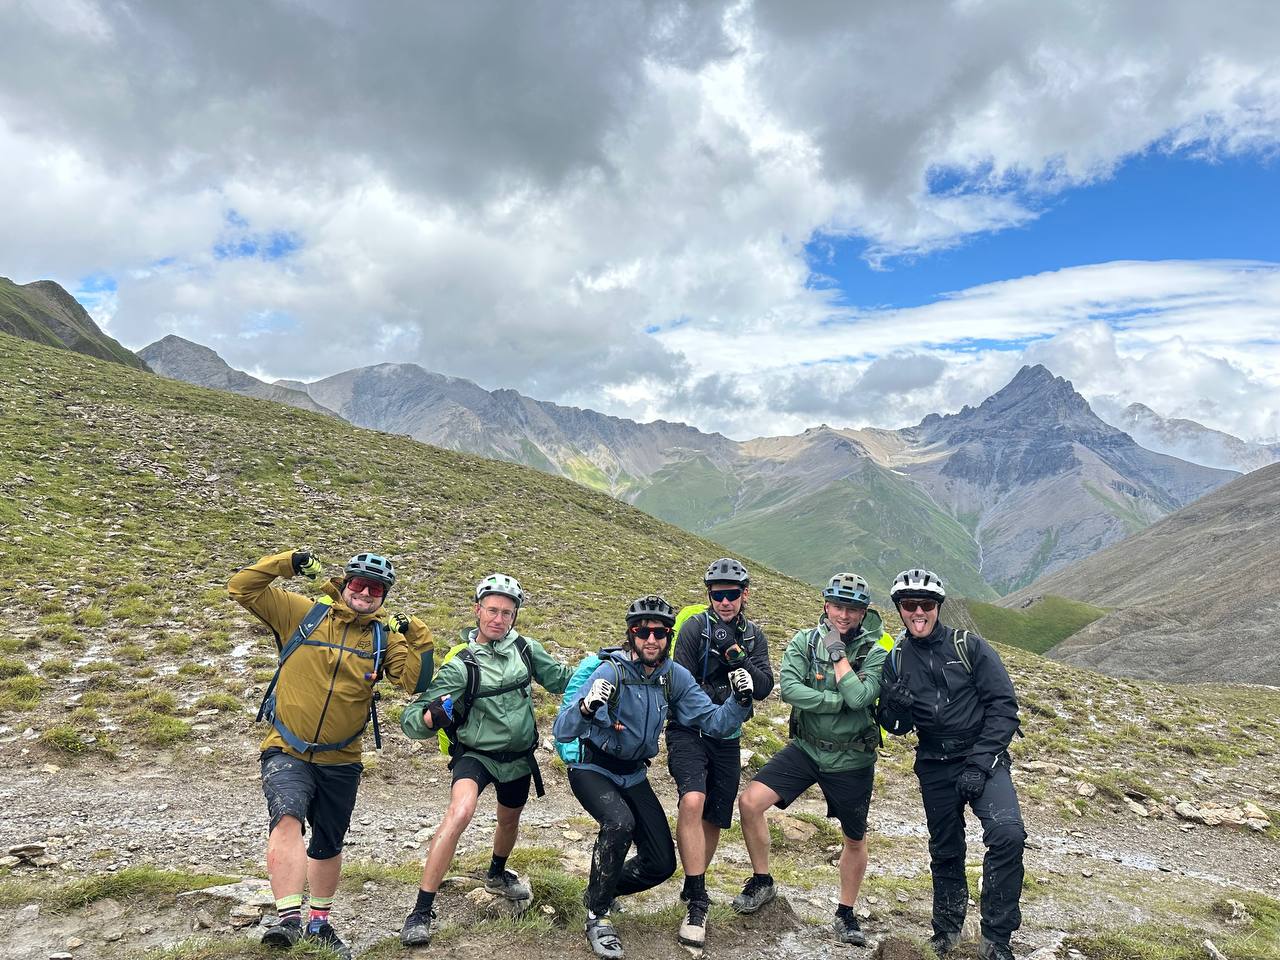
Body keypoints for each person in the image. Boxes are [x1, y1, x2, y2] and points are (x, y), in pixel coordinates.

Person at [229, 549, 434, 958]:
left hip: (342, 758)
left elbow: (414, 682)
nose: (365, 593)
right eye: (358, 583)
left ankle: (320, 923)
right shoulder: (301, 613)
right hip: (287, 746)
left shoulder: (383, 638)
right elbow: (240, 587)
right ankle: (288, 920)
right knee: (286, 816)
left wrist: (417, 634)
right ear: (344, 583)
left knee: (328, 840)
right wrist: (288, 562)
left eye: (376, 588)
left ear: (384, 596)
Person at [552, 595, 755, 960]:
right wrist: (586, 706)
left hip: (632, 774)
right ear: (630, 635)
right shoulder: (609, 672)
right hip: (592, 767)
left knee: (661, 863)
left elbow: (711, 720)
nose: (651, 639)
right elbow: (563, 730)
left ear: (668, 637)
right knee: (619, 823)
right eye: (641, 631)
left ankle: (599, 890)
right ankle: (597, 917)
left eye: (659, 632)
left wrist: (739, 702)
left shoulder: (672, 676)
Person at [397, 573, 572, 947]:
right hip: (476, 755)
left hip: (519, 757)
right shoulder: (461, 663)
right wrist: (431, 719)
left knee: (509, 819)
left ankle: (496, 872)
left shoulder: (525, 649)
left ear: (515, 616)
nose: (499, 618)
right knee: (460, 812)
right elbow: (414, 720)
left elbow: (559, 680)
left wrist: (602, 670)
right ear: (477, 610)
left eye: (507, 613)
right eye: (492, 610)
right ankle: (421, 910)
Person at [733, 572, 890, 946]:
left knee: (854, 838)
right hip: (805, 748)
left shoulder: (877, 650)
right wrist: (836, 702)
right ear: (826, 605)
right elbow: (790, 689)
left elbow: (861, 698)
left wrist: (838, 657)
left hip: (852, 758)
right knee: (750, 802)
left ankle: (845, 912)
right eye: (838, 606)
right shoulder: (805, 641)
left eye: (852, 609)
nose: (844, 615)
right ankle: (762, 880)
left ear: (864, 612)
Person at [876, 569, 1025, 960]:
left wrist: (979, 762)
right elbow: (896, 729)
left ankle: (996, 938)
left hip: (982, 757)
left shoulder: (969, 647)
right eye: (910, 605)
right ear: (900, 610)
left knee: (1008, 834)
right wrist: (892, 707)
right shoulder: (895, 660)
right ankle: (946, 931)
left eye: (926, 604)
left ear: (938, 608)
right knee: (945, 848)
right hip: (934, 762)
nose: (918, 612)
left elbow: (1004, 707)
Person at [666, 558, 774, 950]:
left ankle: (695, 881)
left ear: (745, 594)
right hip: (689, 730)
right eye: (718, 595)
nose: (725, 601)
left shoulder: (754, 635)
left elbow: (764, 685)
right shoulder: (695, 628)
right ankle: (698, 900)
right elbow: (681, 682)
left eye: (732, 594)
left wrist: (742, 665)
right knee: (692, 800)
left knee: (714, 814)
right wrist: (727, 694)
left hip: (727, 736)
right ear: (709, 595)